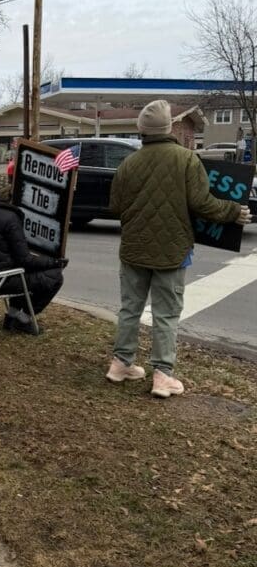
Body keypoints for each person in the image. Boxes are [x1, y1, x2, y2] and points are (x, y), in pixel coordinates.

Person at [107, 100, 251, 398]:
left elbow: (115, 206)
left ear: (142, 130)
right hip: (172, 250)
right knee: (166, 313)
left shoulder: (128, 164)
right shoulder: (186, 160)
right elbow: (202, 204)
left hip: (133, 248)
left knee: (130, 308)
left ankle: (120, 364)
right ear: (169, 127)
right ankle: (163, 375)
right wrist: (233, 211)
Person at [0, 174, 66, 335]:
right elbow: (25, 260)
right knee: (55, 277)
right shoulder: (9, 218)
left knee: (20, 271)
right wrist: (55, 263)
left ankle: (12, 315)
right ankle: (23, 318)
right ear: (8, 195)